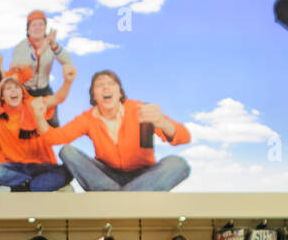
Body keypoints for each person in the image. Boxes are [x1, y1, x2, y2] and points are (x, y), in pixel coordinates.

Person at [35, 69, 191, 191]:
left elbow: (184, 137)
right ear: (94, 96)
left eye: (111, 83)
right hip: (106, 177)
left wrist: (162, 122)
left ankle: (117, 198)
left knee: (178, 164)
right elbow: (54, 138)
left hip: (144, 175)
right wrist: (40, 117)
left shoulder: (140, 110)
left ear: (120, 92)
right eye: (99, 85)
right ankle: (130, 197)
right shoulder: (87, 119)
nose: (105, 87)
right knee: (67, 151)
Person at [0, 68, 76, 191]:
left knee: (67, 171)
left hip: (42, 166)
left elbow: (57, 98)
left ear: (22, 92)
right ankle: (35, 186)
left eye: (17, 87)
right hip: (13, 168)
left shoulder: (33, 104)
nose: (13, 90)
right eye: (8, 88)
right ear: (2, 96)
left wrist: (67, 82)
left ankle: (23, 186)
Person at [10, 11, 74, 126]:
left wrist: (54, 45)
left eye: (41, 24)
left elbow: (67, 61)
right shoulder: (21, 47)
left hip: (45, 91)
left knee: (53, 124)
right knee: (25, 126)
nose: (37, 28)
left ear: (45, 28)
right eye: (34, 25)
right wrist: (39, 51)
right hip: (25, 91)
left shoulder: (51, 44)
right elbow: (18, 64)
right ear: (28, 29)